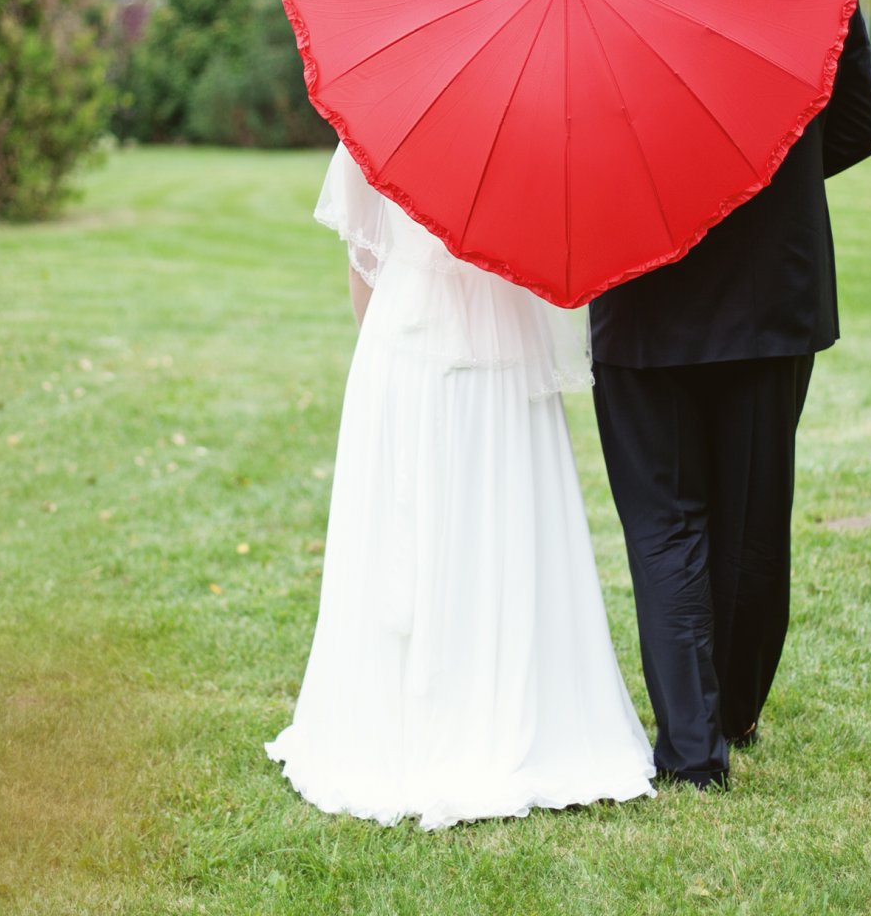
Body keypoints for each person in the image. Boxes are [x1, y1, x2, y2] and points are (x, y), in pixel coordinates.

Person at [266, 142, 655, 829]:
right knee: (504, 520)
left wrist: (386, 354)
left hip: (406, 339)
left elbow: (363, 260)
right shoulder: (534, 126)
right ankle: (509, 705)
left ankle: (400, 724)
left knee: (408, 523)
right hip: (504, 343)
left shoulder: (380, 121)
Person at [588, 5, 871, 789]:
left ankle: (693, 747)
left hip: (641, 279)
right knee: (751, 515)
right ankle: (735, 711)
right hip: (768, 283)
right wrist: (761, 182)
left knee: (664, 521)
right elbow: (855, 128)